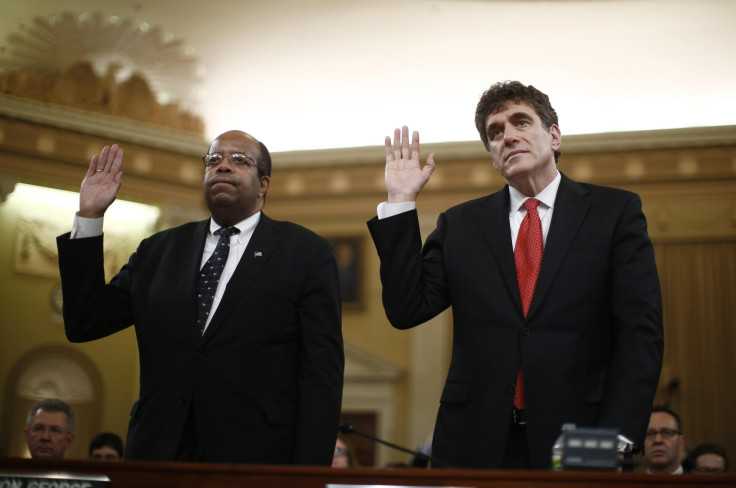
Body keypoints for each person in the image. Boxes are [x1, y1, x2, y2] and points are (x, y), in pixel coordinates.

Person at [367, 81, 664, 469]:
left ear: (554, 136)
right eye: (495, 132)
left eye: (520, 122)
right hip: (474, 440)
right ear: (492, 155)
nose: (507, 136)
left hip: (582, 434)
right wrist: (401, 203)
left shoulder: (615, 212)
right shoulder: (461, 225)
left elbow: (640, 332)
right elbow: (407, 309)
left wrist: (618, 434)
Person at [56, 130, 344, 464]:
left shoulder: (306, 252)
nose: (223, 166)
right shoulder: (158, 251)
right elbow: (85, 322)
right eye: (213, 160)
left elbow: (321, 375)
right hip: (158, 454)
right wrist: (90, 217)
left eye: (239, 160)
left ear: (263, 184)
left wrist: (308, 475)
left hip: (254, 459)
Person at [644, 406, 685, 474]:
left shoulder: (698, 484)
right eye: (650, 434)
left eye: (666, 433)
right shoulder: (628, 484)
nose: (658, 440)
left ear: (681, 443)